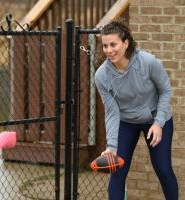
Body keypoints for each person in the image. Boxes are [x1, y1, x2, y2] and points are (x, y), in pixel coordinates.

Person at [94, 20, 178, 200]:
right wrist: (111, 147)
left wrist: (158, 123)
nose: (109, 50)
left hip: (156, 118)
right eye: (105, 45)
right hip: (126, 122)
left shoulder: (148, 62)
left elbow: (165, 91)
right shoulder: (102, 75)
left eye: (113, 44)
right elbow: (111, 112)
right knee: (117, 172)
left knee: (163, 168)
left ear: (126, 43)